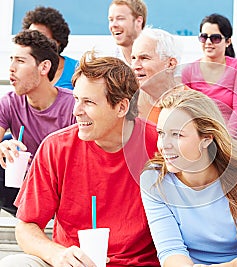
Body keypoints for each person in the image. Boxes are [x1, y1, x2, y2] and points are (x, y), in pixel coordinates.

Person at [0, 51, 160, 267]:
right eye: (76, 99)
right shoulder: (56, 147)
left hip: (141, 263)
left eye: (88, 102)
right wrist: (57, 255)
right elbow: (26, 226)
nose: (76, 111)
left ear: (121, 107)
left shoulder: (160, 144)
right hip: (72, 263)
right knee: (15, 263)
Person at [140, 89, 237, 267]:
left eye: (177, 134)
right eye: (161, 133)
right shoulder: (154, 181)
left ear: (207, 139)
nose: (164, 145)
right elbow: (170, 251)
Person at [0, 29, 75, 216]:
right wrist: (3, 147)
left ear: (44, 68)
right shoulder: (9, 102)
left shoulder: (74, 105)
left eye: (20, 61)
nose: (11, 68)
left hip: (66, 189)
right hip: (26, 187)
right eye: (11, 59)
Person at [181, 13, 237, 140]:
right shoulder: (188, 71)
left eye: (215, 38)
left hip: (230, 139)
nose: (208, 42)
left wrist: (226, 140)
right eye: (204, 37)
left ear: (228, 41)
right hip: (197, 139)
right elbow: (185, 110)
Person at [131, 27, 184, 124]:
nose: (135, 66)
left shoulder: (193, 106)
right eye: (133, 58)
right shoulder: (127, 101)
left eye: (144, 58)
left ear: (170, 64)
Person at [22, 6, 79, 90]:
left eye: (40, 37)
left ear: (58, 41)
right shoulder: (24, 69)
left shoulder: (78, 70)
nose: (33, 42)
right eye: (30, 36)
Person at [108, 0, 147, 65]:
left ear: (139, 21)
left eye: (120, 18)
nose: (113, 25)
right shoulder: (107, 60)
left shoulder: (159, 54)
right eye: (111, 20)